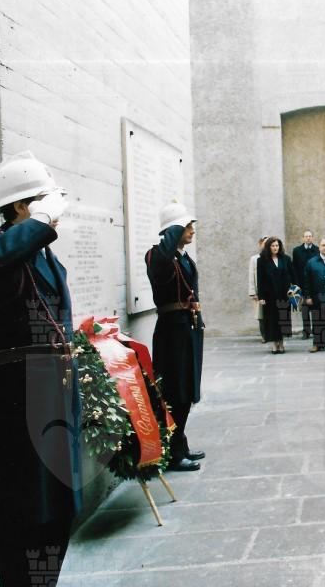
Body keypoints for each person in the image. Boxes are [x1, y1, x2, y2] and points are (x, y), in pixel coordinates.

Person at [0, 151, 82, 586]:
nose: (54, 212)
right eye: (43, 201)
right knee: (25, 512)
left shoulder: (44, 256)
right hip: (17, 403)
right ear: (22, 207)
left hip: (55, 401)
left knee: (57, 511)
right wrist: (40, 220)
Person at [147, 200, 207, 473]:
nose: (192, 230)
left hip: (188, 327)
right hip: (172, 330)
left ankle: (179, 442)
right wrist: (173, 229)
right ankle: (173, 452)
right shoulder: (157, 256)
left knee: (188, 389)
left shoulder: (182, 256)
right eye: (187, 226)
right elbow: (160, 265)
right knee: (175, 391)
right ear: (173, 230)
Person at [257, 236, 296, 354]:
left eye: (277, 245)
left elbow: (293, 276)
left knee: (283, 318)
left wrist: (295, 291)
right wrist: (261, 297)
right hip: (270, 295)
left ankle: (281, 343)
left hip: (284, 294)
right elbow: (260, 279)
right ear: (268, 247)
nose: (275, 248)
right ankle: (275, 344)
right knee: (272, 319)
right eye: (273, 246)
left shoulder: (286, 259)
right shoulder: (262, 260)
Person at [291, 231, 319, 339]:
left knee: (315, 308)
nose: (308, 238)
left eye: (310, 236)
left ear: (312, 238)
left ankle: (316, 331)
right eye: (306, 236)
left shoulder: (317, 250)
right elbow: (294, 268)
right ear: (303, 238)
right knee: (304, 309)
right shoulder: (297, 251)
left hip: (314, 285)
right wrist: (296, 285)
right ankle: (306, 331)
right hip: (301, 284)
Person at [249, 236, 269, 342]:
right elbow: (251, 276)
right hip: (259, 291)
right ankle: (264, 335)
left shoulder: (273, 258)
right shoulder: (255, 259)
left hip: (271, 291)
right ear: (260, 245)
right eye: (264, 243)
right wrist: (253, 292)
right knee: (261, 315)